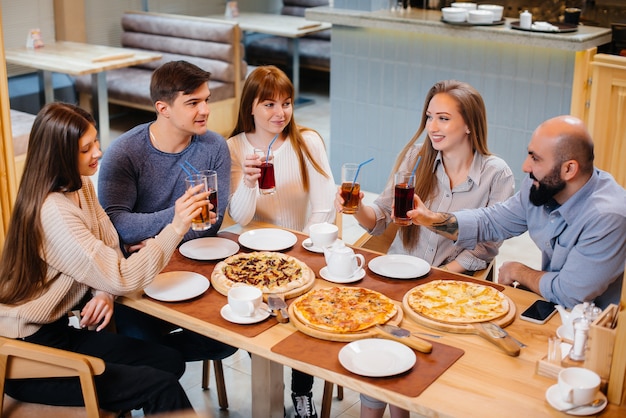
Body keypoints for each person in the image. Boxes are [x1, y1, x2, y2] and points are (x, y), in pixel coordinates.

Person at [0, 102, 206, 414]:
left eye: (95, 141)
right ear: (59, 154)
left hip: (56, 332)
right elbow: (122, 277)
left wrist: (103, 292)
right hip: (26, 353)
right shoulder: (52, 211)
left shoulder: (78, 184)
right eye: (86, 148)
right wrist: (176, 226)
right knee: (161, 385)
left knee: (168, 360)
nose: (98, 152)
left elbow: (108, 243)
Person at [335, 80, 515, 418]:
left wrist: (439, 280)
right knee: (380, 347)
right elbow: (379, 220)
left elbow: (485, 247)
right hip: (398, 279)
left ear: (469, 125)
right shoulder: (416, 160)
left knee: (399, 353)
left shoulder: (496, 174)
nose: (432, 127)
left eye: (443, 118)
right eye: (430, 117)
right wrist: (357, 205)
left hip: (450, 289)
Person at [409, 115, 626, 310]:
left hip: (598, 334)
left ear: (569, 169)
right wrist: (430, 219)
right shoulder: (541, 186)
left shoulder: (608, 216)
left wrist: (519, 272)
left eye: (536, 158)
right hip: (556, 310)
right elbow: (491, 222)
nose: (525, 166)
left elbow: (570, 293)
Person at [97, 60, 237, 363]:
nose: (205, 110)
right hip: (140, 277)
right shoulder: (124, 153)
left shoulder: (214, 147)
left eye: (206, 100)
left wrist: (158, 238)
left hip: (192, 267)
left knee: (229, 340)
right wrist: (176, 219)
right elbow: (116, 225)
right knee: (143, 342)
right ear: (163, 108)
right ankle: (154, 364)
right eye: (193, 103)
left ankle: (154, 360)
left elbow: (210, 225)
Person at [228, 65, 336, 417]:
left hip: (303, 250)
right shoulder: (234, 148)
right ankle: (269, 380)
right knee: (254, 319)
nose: (280, 113)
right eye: (269, 105)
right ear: (251, 107)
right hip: (254, 257)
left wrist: (303, 248)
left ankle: (301, 390)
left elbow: (324, 206)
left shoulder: (309, 142)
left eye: (286, 103)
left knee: (307, 318)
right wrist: (247, 180)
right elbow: (241, 217)